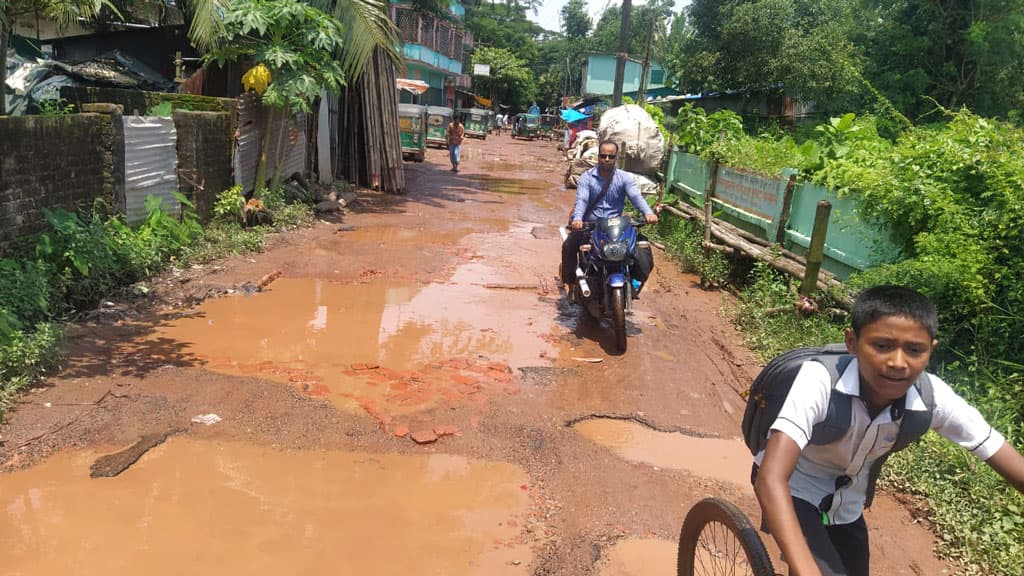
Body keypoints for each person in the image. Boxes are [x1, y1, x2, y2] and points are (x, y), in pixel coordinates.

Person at [755, 285, 1024, 576]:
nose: (898, 362)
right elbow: (771, 478)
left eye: (914, 350)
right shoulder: (820, 380)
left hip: (847, 503)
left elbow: (999, 452)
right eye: (882, 346)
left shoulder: (932, 398)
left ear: (930, 350)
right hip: (794, 485)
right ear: (852, 342)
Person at [561, 140, 658, 294]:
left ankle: (634, 282)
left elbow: (636, 196)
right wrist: (578, 219)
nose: (607, 159)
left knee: (641, 249)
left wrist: (648, 213)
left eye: (610, 156)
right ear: (598, 157)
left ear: (616, 158)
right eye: (603, 156)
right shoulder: (587, 178)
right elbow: (582, 200)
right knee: (569, 246)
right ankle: (571, 285)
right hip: (590, 226)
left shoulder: (624, 178)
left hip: (614, 228)